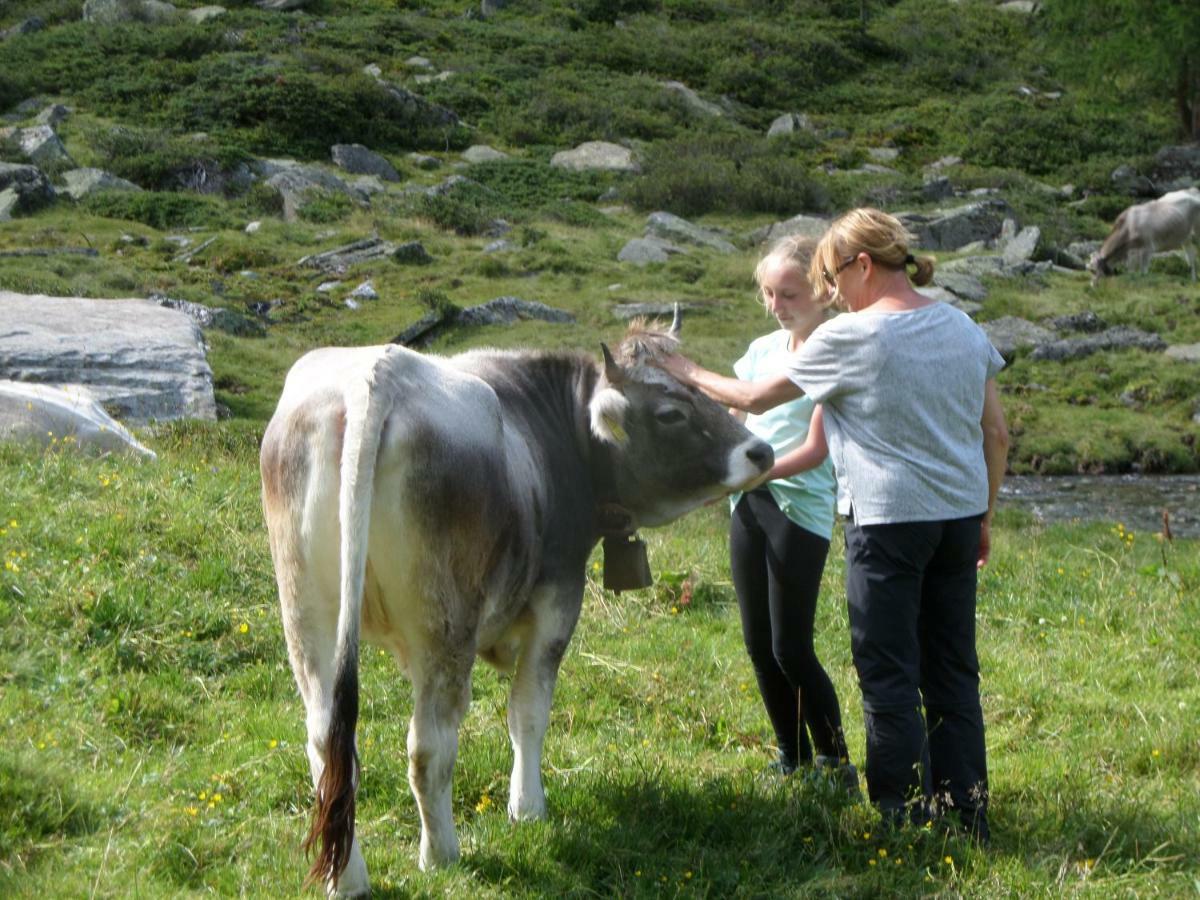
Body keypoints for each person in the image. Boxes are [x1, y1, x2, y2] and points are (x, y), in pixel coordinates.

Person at [660, 209, 1009, 842]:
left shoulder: (849, 337)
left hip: (887, 522)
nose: (833, 293)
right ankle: (968, 815)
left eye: (832, 277)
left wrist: (682, 372)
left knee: (889, 673)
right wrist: (985, 513)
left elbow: (752, 400)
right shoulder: (961, 325)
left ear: (864, 266)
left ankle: (899, 820)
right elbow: (997, 432)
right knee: (954, 671)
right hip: (959, 518)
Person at [725, 236, 857, 788]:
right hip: (748, 503)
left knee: (791, 646)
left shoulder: (835, 349)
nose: (777, 305)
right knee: (758, 642)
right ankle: (791, 758)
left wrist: (757, 470)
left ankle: (835, 762)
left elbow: (813, 451)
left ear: (825, 292)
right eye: (768, 294)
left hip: (799, 506)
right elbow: (737, 410)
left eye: (789, 294)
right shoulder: (761, 350)